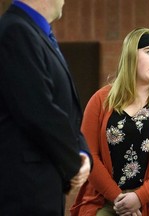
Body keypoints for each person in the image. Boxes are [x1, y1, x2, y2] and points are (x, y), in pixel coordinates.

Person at [70, 27, 149, 216]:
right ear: (131, 55)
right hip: (106, 200)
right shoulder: (100, 100)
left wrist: (139, 198)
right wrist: (119, 199)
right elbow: (89, 153)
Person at [0, 0, 92, 215]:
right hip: (24, 192)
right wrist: (73, 162)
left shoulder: (36, 32)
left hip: (43, 185)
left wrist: (83, 152)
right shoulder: (15, 31)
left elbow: (64, 108)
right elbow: (39, 110)